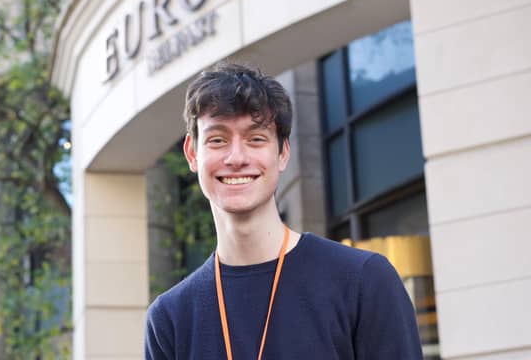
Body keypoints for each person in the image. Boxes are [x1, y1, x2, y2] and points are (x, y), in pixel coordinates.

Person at [144, 62, 423, 360]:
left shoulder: (363, 281)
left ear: (282, 153)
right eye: (217, 140)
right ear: (191, 153)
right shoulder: (170, 318)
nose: (236, 157)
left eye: (256, 139)